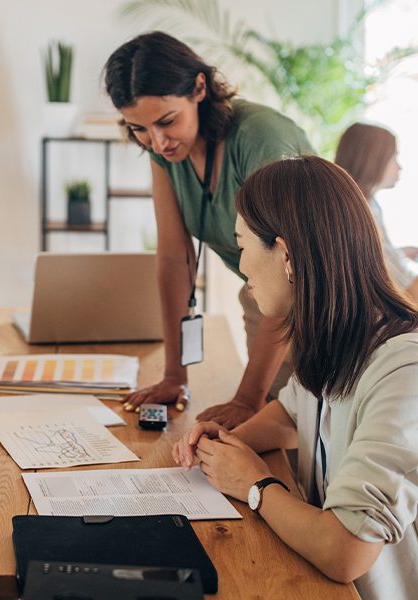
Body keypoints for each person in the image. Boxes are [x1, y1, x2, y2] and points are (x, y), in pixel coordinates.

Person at [173, 156, 418, 600]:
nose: (243, 268)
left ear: (285, 254)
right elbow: (292, 415)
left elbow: (346, 550)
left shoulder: (405, 372)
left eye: (242, 244)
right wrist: (228, 446)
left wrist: (255, 485)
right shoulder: (331, 331)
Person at [103, 31, 314, 427]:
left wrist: (247, 398)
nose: (158, 142)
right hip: (266, 300)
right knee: (272, 434)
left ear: (200, 87)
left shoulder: (260, 137)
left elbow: (293, 274)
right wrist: (174, 375)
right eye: (139, 129)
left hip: (324, 304)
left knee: (307, 446)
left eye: (167, 121)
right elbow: (173, 257)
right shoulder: (164, 151)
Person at [335, 122, 418, 301]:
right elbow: (408, 292)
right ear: (372, 159)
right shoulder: (360, 213)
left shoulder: (367, 203)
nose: (399, 167)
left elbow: (375, 262)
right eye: (393, 157)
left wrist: (398, 254)